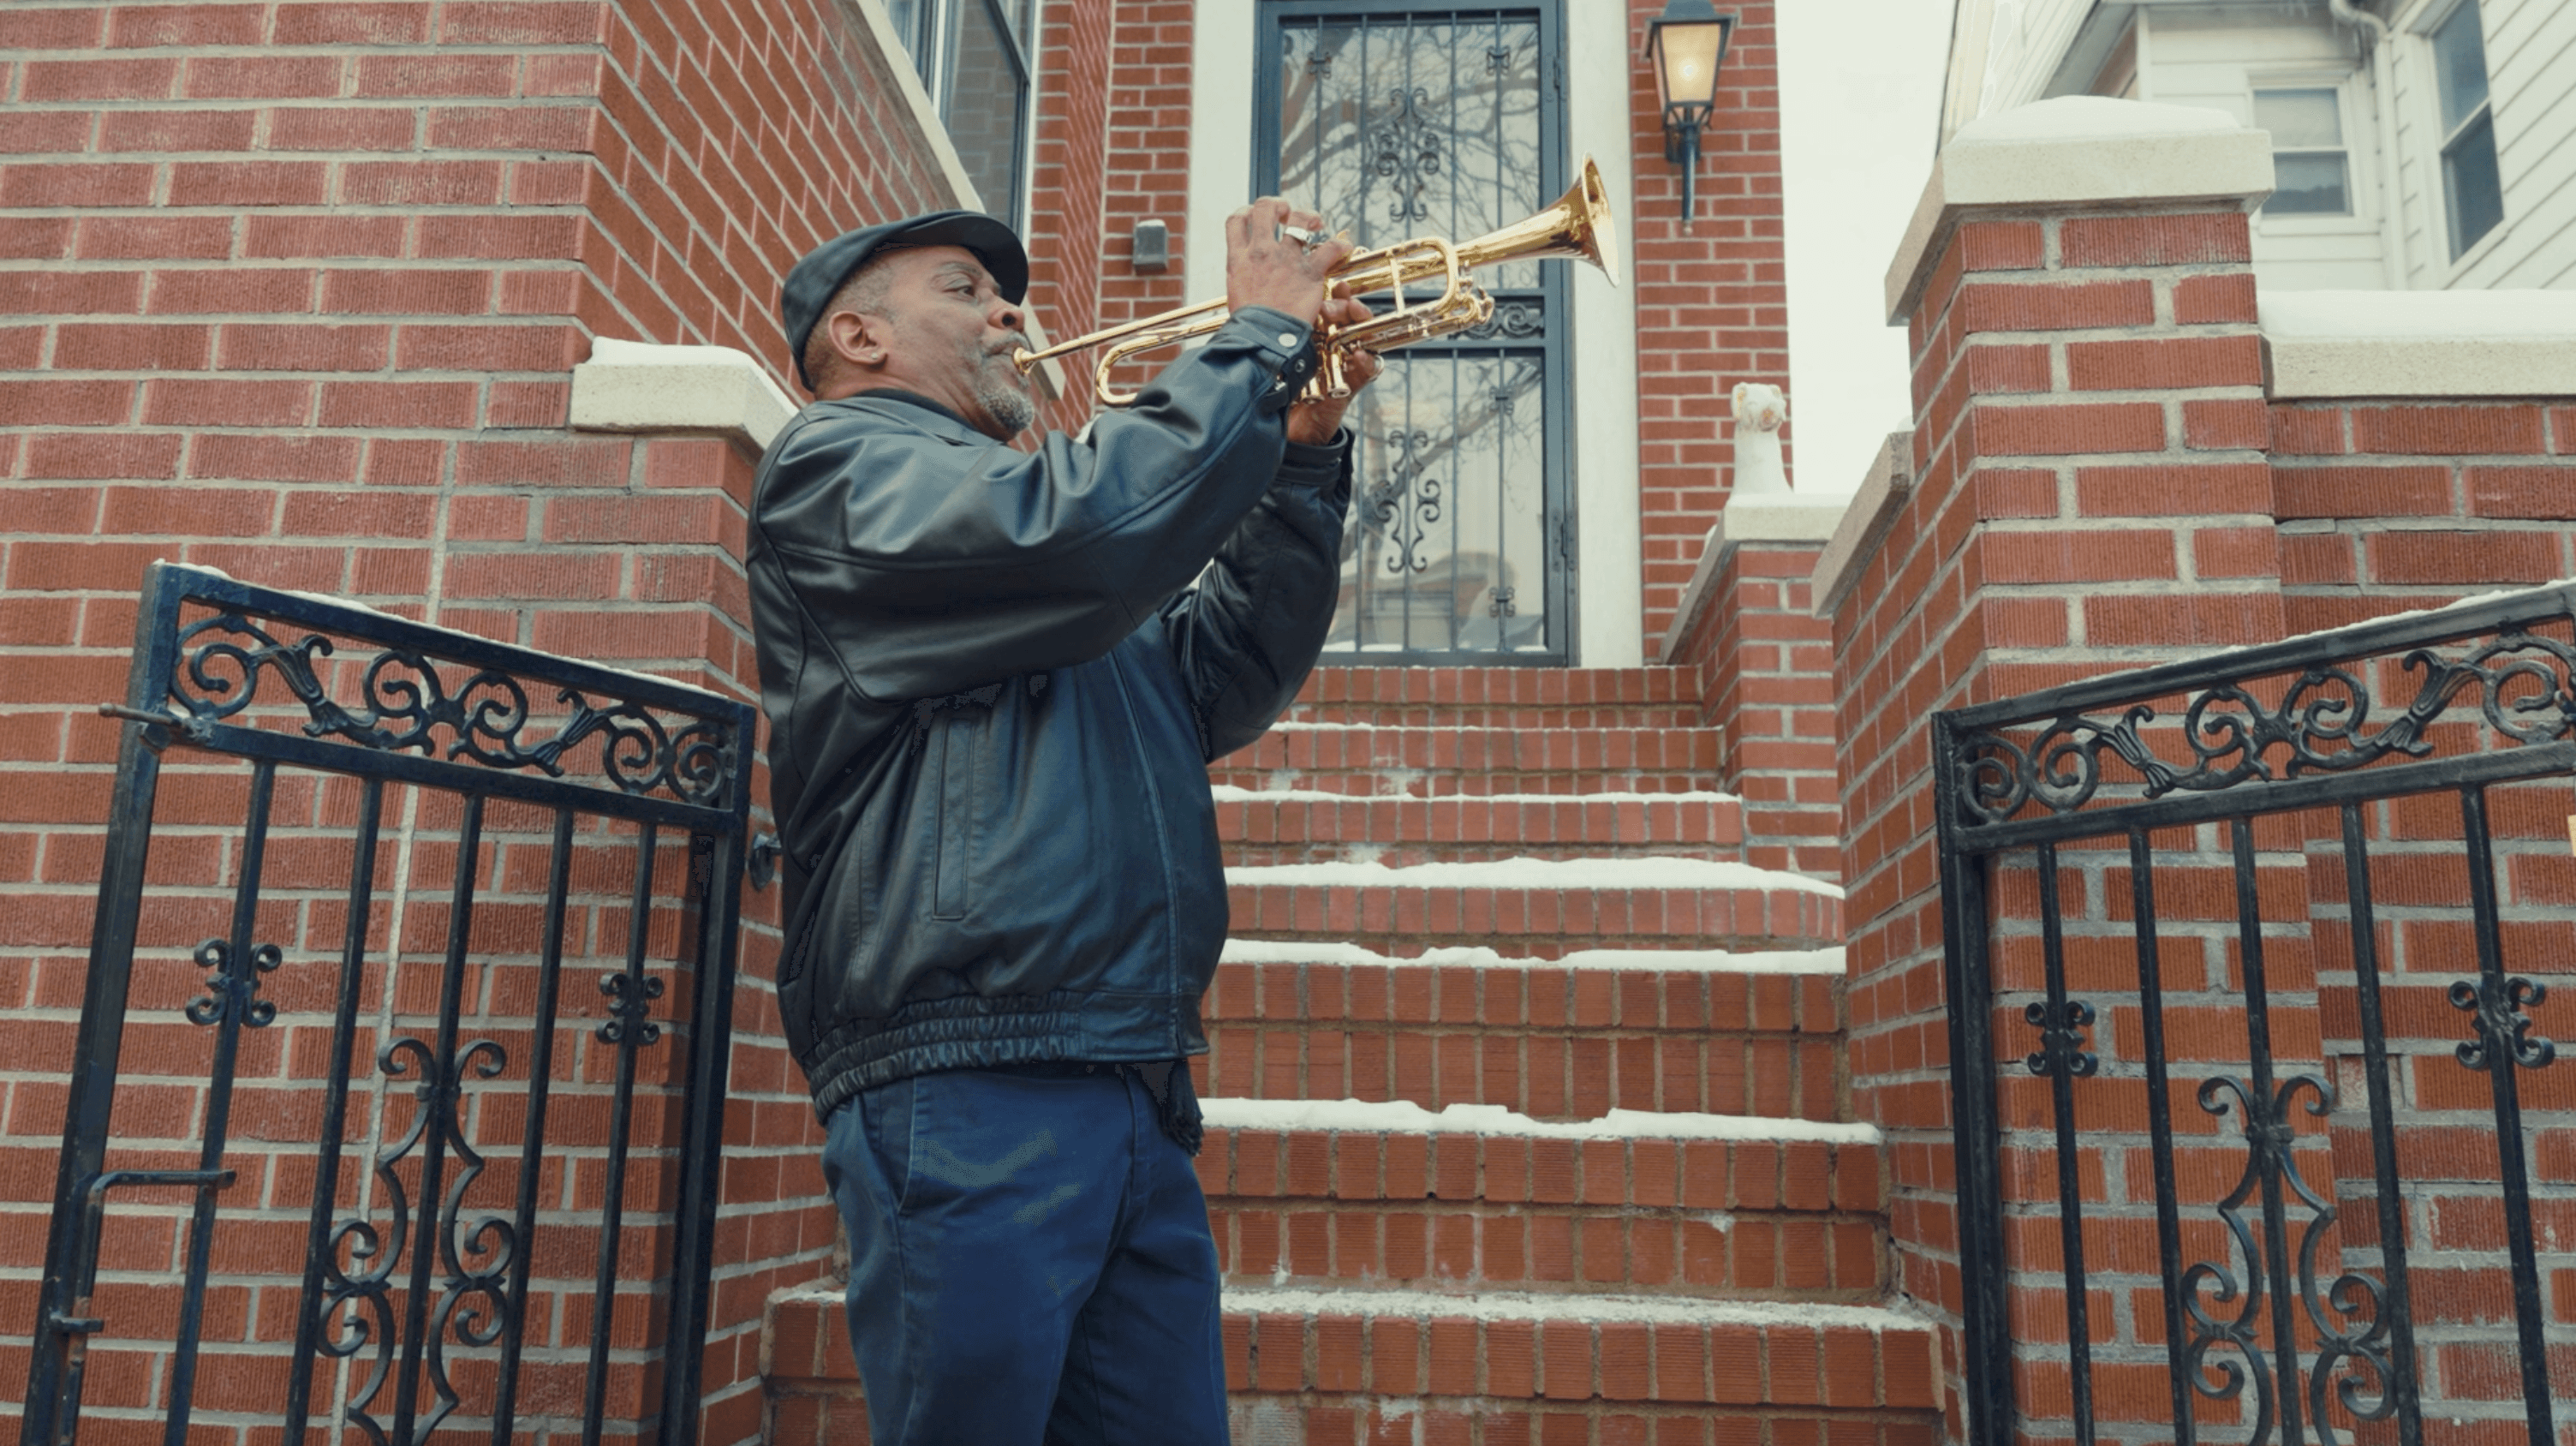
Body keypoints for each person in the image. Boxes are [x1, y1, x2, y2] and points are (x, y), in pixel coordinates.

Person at [744, 199, 1381, 1444]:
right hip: (967, 1073)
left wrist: (1301, 452)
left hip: (1126, 1076)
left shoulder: (1043, 532)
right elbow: (1084, 535)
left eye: (1003, 292)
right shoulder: (838, 467)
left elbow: (1225, 673)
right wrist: (1256, 333)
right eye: (961, 290)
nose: (1008, 312)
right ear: (862, 338)